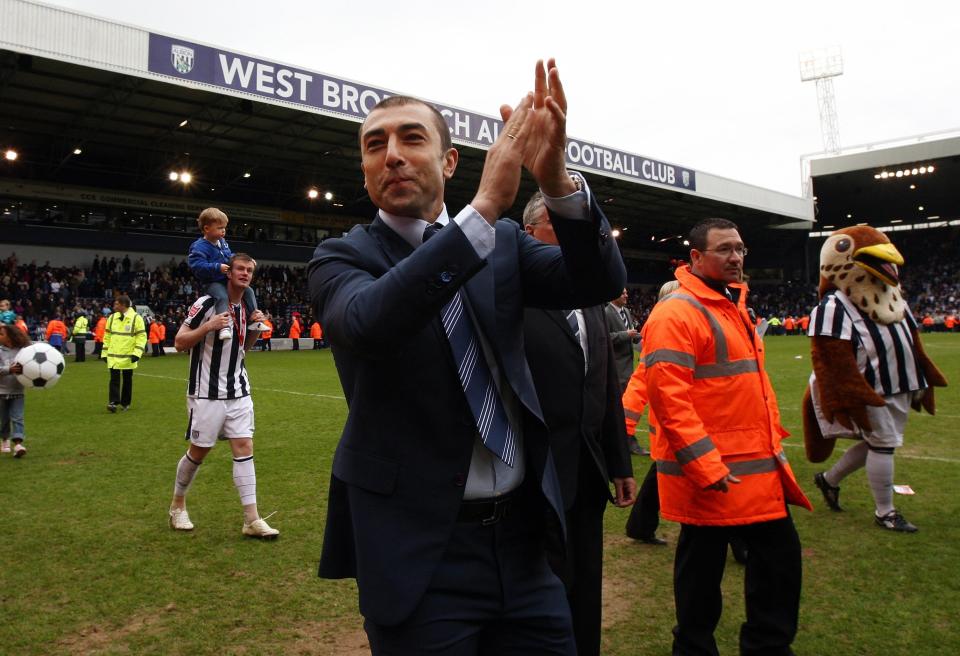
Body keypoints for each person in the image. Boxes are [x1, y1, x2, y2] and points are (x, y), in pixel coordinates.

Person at [308, 60, 626, 655]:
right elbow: (369, 324)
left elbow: (598, 279)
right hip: (421, 552)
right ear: (364, 169)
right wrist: (480, 214)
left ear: (449, 161)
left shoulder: (505, 244)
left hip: (525, 542)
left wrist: (555, 181)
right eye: (375, 145)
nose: (392, 155)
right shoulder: (339, 257)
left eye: (411, 138)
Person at [642, 218, 811, 656]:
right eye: (724, 250)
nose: (735, 257)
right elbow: (668, 399)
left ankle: (764, 647)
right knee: (701, 575)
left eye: (740, 249)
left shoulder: (731, 303)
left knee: (777, 566)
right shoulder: (677, 312)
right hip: (716, 475)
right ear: (696, 257)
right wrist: (704, 466)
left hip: (754, 467)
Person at [521, 191, 635, 656]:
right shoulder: (513, 292)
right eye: (558, 223)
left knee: (586, 587)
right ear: (529, 235)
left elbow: (604, 385)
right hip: (532, 476)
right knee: (539, 593)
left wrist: (619, 461)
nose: (576, 235)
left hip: (587, 473)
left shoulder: (591, 297)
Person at [168, 253, 278, 539]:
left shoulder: (246, 307)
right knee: (199, 451)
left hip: (239, 389)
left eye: (249, 271)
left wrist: (256, 327)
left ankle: (251, 519)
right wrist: (208, 326)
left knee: (244, 447)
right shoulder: (206, 304)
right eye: (239, 269)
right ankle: (177, 506)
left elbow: (244, 349)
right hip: (206, 392)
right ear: (229, 273)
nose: (244, 274)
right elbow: (179, 342)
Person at [622, 279, 680, 546]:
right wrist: (625, 427)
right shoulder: (665, 328)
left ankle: (639, 526)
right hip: (678, 422)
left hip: (678, 422)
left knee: (660, 477)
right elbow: (642, 380)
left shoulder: (666, 325)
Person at [188, 208, 267, 341]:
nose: (223, 231)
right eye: (220, 228)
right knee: (222, 297)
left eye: (224, 227)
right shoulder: (199, 246)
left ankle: (255, 319)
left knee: (249, 291)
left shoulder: (222, 242)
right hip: (211, 282)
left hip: (225, 279)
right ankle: (224, 327)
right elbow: (196, 266)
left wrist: (244, 260)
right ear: (207, 228)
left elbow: (230, 257)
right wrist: (217, 267)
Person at [102, 295, 147, 413]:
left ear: (123, 305)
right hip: (113, 355)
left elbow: (141, 336)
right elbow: (107, 336)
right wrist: (104, 353)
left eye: (116, 304)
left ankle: (125, 403)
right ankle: (113, 402)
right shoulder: (111, 318)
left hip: (128, 356)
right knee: (114, 379)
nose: (114, 306)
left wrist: (137, 353)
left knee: (127, 380)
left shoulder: (136, 318)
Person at [0, 323, 30, 458]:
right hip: (1, 392)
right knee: (4, 419)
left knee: (18, 418)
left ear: (11, 337)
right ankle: (4, 440)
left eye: (2, 334)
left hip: (18, 391)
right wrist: (9, 370)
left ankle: (18, 444)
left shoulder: (23, 351)